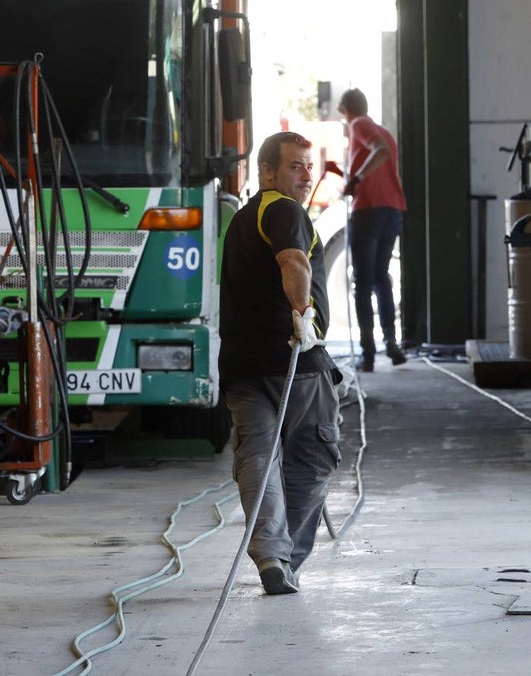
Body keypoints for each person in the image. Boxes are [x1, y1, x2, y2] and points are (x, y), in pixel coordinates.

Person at [219, 131, 342, 595]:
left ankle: (270, 555)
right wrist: (304, 314)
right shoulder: (285, 210)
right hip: (295, 362)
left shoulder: (243, 218)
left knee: (258, 459)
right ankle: (287, 558)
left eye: (310, 166)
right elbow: (294, 262)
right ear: (268, 172)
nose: (306, 175)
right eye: (295, 166)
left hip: (243, 366)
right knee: (311, 456)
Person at [337, 88, 408, 372]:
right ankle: (391, 342)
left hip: (369, 210)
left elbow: (380, 150)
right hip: (392, 210)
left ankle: (367, 355)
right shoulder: (385, 131)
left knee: (363, 282)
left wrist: (356, 179)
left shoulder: (359, 124)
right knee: (381, 277)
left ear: (346, 111)